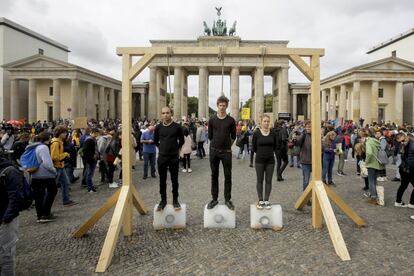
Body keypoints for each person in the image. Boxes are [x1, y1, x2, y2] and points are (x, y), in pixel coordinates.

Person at [207, 96, 236, 210]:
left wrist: (227, 146)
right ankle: (214, 199)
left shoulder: (231, 120)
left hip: (226, 153)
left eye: (224, 105)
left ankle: (228, 199)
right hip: (214, 151)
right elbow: (210, 136)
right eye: (220, 105)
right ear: (217, 106)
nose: (222, 107)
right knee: (214, 176)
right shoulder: (212, 119)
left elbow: (233, 137)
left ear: (226, 106)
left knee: (228, 176)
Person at [153, 106, 184, 211]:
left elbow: (182, 141)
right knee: (162, 180)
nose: (165, 115)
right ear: (161, 115)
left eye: (167, 113)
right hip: (162, 157)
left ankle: (175, 200)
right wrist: (162, 148)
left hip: (174, 157)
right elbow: (155, 140)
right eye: (163, 113)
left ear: (171, 114)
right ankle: (163, 201)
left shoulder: (177, 127)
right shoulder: (158, 127)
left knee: (174, 180)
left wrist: (176, 149)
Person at [0, 156, 25, 276]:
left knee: (5, 252)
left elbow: (16, 197)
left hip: (6, 219)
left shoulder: (9, 171)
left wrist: (6, 218)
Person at [31, 132, 57, 223]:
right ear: (47, 138)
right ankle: (44, 213)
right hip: (45, 174)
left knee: (39, 196)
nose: (51, 140)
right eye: (50, 138)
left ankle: (41, 214)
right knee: (52, 191)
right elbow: (47, 163)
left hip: (35, 174)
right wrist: (54, 171)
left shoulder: (35, 146)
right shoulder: (44, 147)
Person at [252, 115, 276, 209]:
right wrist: (261, 153)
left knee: (269, 181)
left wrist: (269, 153)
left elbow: (275, 146)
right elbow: (253, 147)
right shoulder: (256, 133)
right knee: (260, 180)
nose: (266, 123)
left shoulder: (273, 133)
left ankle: (266, 200)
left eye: (267, 121)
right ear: (261, 122)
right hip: (259, 160)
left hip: (270, 160)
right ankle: (260, 200)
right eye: (264, 121)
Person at [50, 126, 77, 206]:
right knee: (53, 187)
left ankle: (66, 200)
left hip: (60, 166)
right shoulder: (56, 143)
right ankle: (47, 204)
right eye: (64, 133)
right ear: (59, 133)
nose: (66, 134)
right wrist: (65, 155)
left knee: (66, 183)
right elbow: (54, 157)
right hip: (57, 167)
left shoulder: (59, 142)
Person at [361, 129, 384, 205]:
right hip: (378, 164)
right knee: (374, 181)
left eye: (361, 138)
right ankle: (375, 195)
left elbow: (369, 153)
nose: (361, 140)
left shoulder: (368, 142)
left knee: (371, 181)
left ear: (364, 137)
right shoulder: (376, 141)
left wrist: (366, 162)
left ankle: (373, 198)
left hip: (372, 164)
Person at [394, 132, 414, 208]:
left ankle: (401, 202)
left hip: (407, 169)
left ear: (404, 136)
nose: (401, 143)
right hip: (406, 169)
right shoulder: (403, 145)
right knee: (403, 186)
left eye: (402, 140)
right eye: (399, 142)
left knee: (403, 186)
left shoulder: (411, 144)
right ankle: (410, 203)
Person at [295, 121, 312, 191]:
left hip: (315, 161)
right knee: (306, 181)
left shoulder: (317, 135)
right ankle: (306, 197)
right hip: (306, 161)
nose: (308, 128)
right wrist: (295, 140)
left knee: (317, 181)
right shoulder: (303, 135)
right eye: (307, 126)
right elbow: (298, 142)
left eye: (310, 126)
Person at [82, 128, 100, 193]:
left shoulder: (92, 139)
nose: (97, 135)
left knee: (90, 173)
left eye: (97, 133)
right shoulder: (89, 140)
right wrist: (92, 156)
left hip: (93, 158)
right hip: (91, 159)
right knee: (89, 173)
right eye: (95, 133)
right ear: (92, 133)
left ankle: (91, 186)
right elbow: (85, 150)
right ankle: (89, 188)